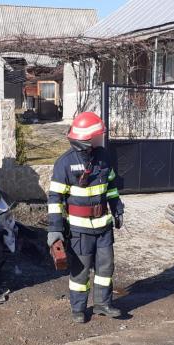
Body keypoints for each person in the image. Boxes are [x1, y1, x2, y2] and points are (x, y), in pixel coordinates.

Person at [47, 112, 125, 324]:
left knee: (105, 268)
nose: (102, 139)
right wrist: (54, 230)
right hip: (79, 231)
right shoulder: (64, 163)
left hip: (104, 228)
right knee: (80, 274)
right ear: (86, 140)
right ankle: (78, 309)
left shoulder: (104, 157)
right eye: (98, 136)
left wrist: (117, 208)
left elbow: (110, 187)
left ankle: (103, 304)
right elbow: (54, 198)